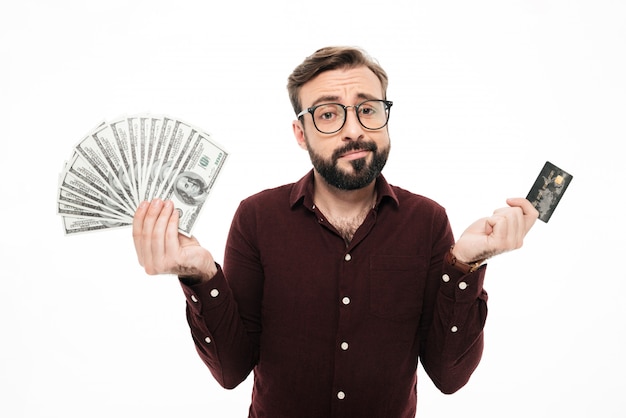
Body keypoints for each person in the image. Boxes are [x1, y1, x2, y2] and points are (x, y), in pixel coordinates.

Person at [132, 46, 538, 417]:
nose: (353, 130)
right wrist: (201, 276)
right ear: (300, 133)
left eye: (368, 110)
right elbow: (231, 371)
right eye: (328, 114)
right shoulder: (256, 218)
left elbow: (449, 377)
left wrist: (465, 265)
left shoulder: (428, 221)